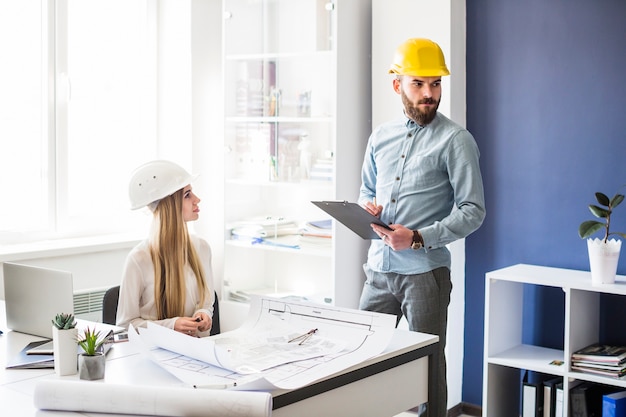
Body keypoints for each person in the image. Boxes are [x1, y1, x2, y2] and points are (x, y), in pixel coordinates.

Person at [359, 38, 486, 417]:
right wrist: (370, 205)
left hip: (425, 274)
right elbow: (367, 187)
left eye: (436, 84)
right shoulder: (380, 137)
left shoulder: (456, 141)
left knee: (427, 365)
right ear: (397, 85)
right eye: (419, 84)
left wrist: (416, 238)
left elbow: (473, 210)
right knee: (360, 355)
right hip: (378, 270)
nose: (429, 94)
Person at [117, 160, 215, 337]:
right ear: (169, 205)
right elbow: (125, 326)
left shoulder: (202, 248)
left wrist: (204, 314)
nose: (197, 199)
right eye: (187, 195)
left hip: (196, 353)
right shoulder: (139, 259)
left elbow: (206, 303)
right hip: (154, 355)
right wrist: (171, 325)